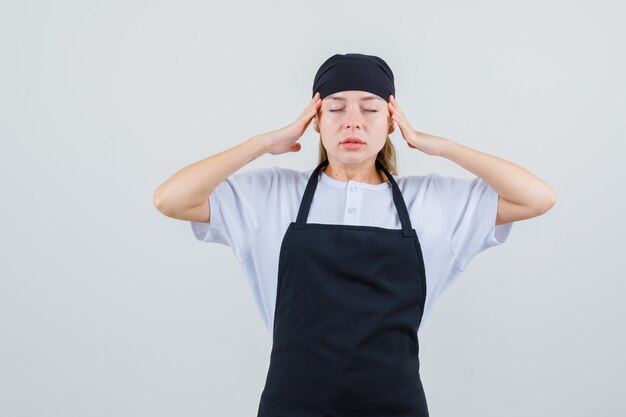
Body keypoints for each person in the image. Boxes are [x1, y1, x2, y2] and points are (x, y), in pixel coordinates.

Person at [153, 53, 556, 417]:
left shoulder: (430, 202)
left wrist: (442, 147)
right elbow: (170, 199)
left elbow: (538, 198)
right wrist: (261, 144)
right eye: (335, 108)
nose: (353, 121)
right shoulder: (271, 195)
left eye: (370, 109)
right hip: (291, 407)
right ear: (314, 120)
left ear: (392, 122)